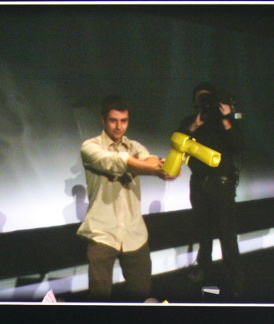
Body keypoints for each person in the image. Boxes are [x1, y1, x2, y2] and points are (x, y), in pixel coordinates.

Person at [77, 95, 175, 301]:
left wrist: (162, 166)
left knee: (142, 296)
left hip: (134, 232)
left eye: (124, 121)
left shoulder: (134, 146)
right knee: (100, 300)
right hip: (102, 232)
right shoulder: (90, 147)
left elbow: (147, 158)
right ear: (103, 119)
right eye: (113, 120)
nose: (119, 126)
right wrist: (152, 169)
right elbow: (117, 162)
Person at [178, 82, 245, 298]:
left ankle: (234, 279)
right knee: (203, 234)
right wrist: (195, 124)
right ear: (195, 102)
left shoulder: (224, 123)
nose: (204, 101)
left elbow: (238, 145)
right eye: (200, 98)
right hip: (199, 184)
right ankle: (204, 272)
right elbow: (178, 141)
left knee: (227, 234)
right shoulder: (191, 122)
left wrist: (226, 118)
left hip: (222, 185)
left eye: (208, 97)